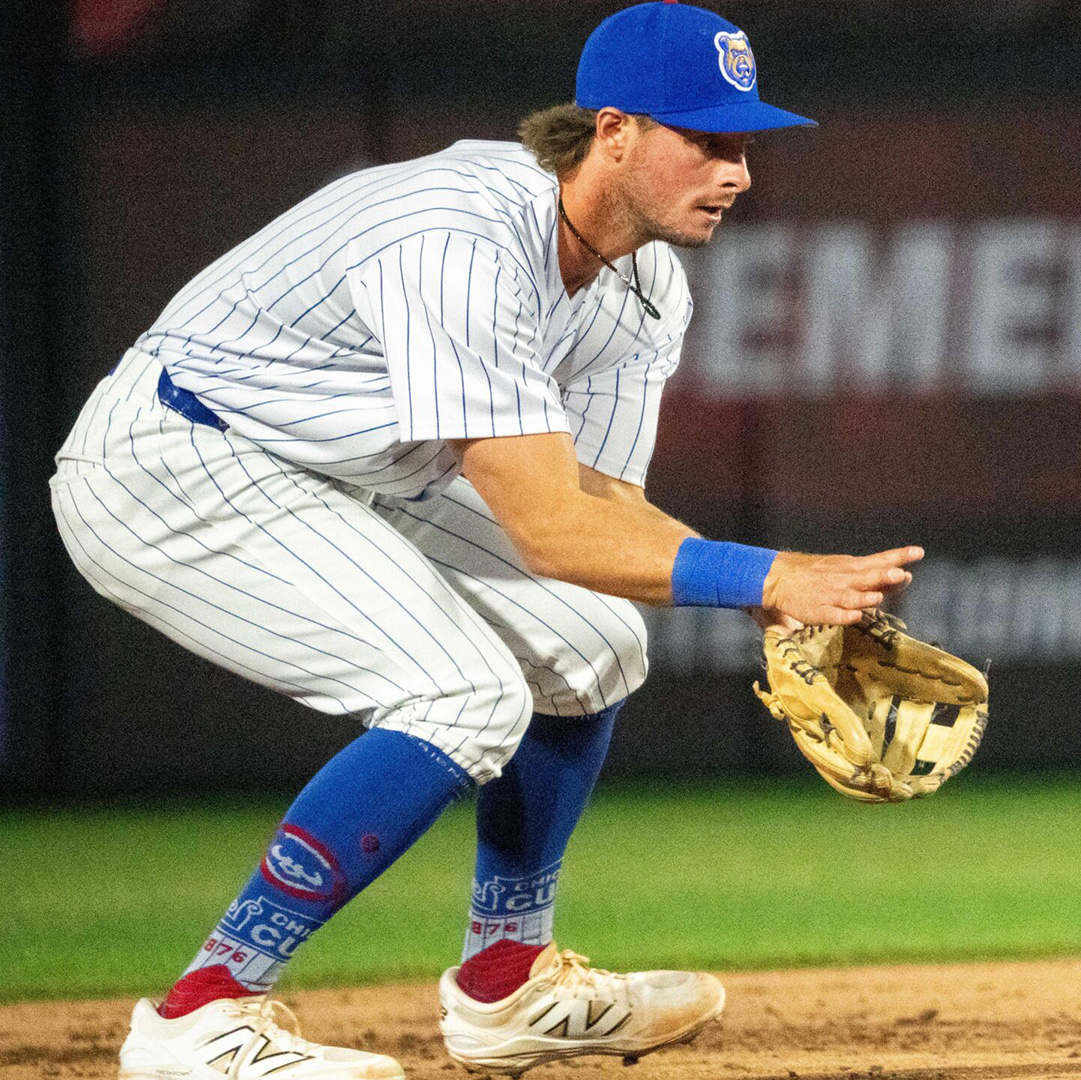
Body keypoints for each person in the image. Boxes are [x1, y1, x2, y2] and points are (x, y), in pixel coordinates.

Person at [51, 4, 917, 1077]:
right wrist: (764, 573)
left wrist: (772, 597)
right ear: (614, 132)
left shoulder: (645, 282)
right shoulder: (460, 238)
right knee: (461, 693)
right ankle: (201, 1014)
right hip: (174, 461)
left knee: (598, 641)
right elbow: (552, 531)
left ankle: (508, 983)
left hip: (345, 468)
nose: (738, 171)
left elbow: (596, 502)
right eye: (709, 140)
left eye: (746, 144)